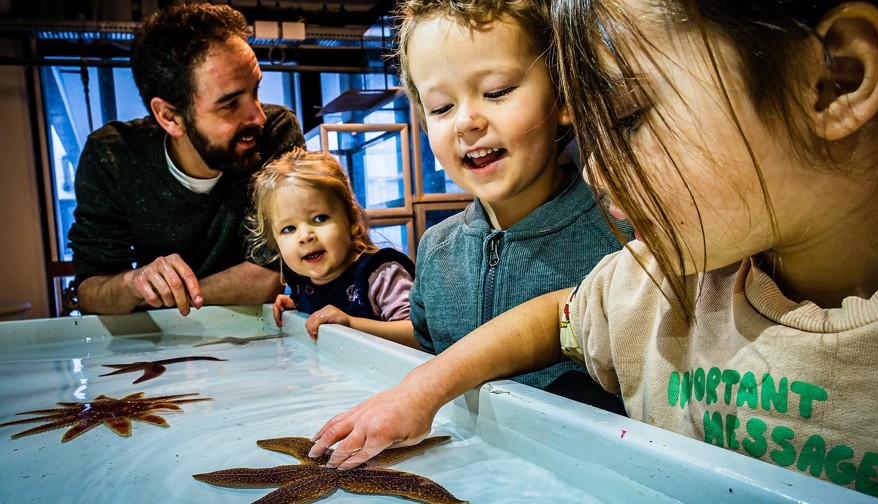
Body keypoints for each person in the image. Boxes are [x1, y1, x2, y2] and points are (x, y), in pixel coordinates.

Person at [307, 0, 878, 500]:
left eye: (627, 116)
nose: (594, 170)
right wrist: (421, 390)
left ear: (833, 78)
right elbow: (558, 315)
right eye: (438, 108)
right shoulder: (653, 280)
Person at [393, 0, 629, 410]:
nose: (467, 121)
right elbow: (429, 341)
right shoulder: (436, 249)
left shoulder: (623, 234)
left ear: (563, 96)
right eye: (441, 107)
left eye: (497, 91)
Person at [68, 3, 304, 316]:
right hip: (157, 353)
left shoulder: (275, 133)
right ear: (169, 117)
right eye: (230, 104)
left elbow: (275, 273)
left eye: (255, 91)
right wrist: (134, 282)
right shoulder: (112, 156)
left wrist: (166, 298)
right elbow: (90, 291)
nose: (258, 116)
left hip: (256, 335)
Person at [246, 147, 417, 346]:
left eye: (319, 218)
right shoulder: (302, 282)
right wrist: (297, 307)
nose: (305, 236)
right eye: (289, 228)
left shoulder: (380, 275)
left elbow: (417, 333)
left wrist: (352, 324)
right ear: (275, 242)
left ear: (352, 220)